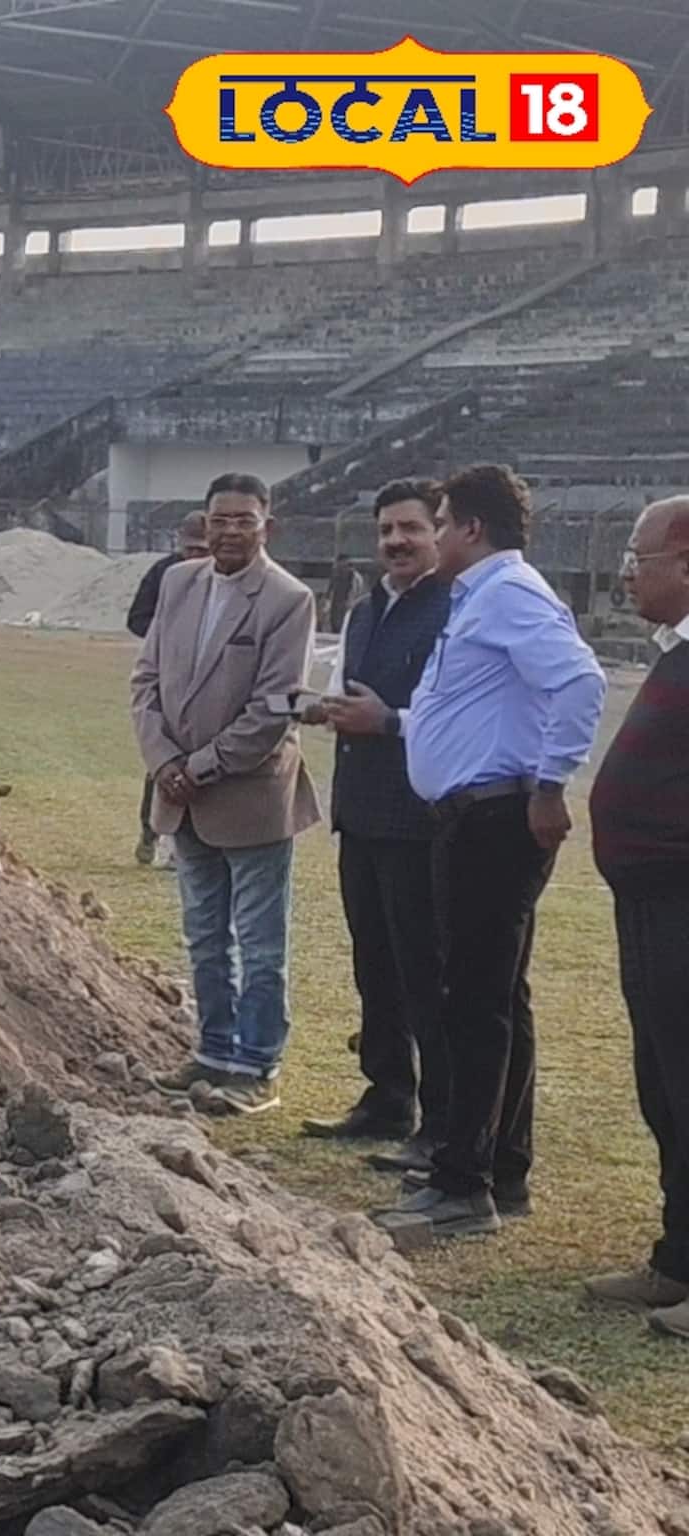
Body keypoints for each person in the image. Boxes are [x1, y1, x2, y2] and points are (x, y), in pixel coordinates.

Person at [375, 464, 605, 1242]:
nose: (432, 535)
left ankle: (462, 1185)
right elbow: (475, 710)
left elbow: (579, 680)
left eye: (438, 522)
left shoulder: (508, 593)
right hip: (474, 816)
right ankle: (503, 1168)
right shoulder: (481, 598)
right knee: (497, 996)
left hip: (495, 821)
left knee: (472, 1002)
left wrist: (549, 785)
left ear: (470, 528)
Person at [132, 473, 320, 1115]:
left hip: (249, 795)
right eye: (220, 519)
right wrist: (163, 761)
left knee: (261, 941)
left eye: (244, 519)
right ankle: (212, 1052)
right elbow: (145, 679)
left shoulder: (288, 599)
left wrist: (201, 766)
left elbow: (275, 708)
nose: (231, 530)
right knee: (204, 936)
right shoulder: (179, 583)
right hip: (180, 792)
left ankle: (257, 1065)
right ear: (203, 523)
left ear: (267, 524)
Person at [301, 481, 451, 1152]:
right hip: (359, 815)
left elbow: (459, 719)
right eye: (387, 529)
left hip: (421, 818)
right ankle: (388, 1098)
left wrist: (389, 723)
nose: (396, 541)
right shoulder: (365, 609)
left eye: (410, 529)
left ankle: (442, 1121)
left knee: (427, 973)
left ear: (439, 533)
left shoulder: (458, 610)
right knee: (375, 968)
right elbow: (348, 693)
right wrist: (327, 710)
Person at [584, 496, 689, 1338]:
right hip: (650, 901)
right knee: (665, 1085)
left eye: (639, 553)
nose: (628, 568)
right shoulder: (674, 652)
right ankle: (677, 1259)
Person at [129, 511, 213, 866]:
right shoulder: (165, 574)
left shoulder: (230, 579)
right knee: (163, 760)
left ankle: (190, 843)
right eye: (190, 550)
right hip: (170, 676)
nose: (195, 558)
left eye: (202, 551)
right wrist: (168, 640)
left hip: (212, 681)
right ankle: (151, 832)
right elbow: (136, 618)